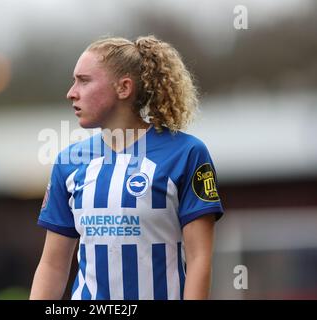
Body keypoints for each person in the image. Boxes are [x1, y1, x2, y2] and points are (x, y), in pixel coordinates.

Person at [30, 35, 223, 300]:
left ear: (124, 88)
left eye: (84, 81)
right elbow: (53, 265)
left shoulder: (186, 153)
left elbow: (199, 258)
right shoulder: (68, 162)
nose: (71, 92)